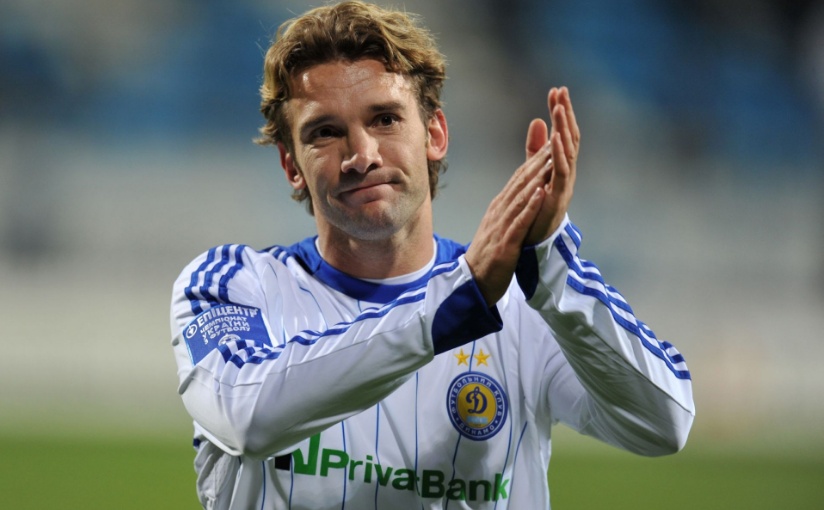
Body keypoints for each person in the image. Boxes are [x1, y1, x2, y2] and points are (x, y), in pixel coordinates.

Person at [169, 2, 695, 508]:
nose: (361, 156)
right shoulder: (230, 285)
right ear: (291, 165)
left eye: (385, 120)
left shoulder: (522, 301)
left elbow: (664, 423)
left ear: (435, 134)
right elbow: (246, 414)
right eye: (325, 133)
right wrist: (455, 303)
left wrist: (551, 265)